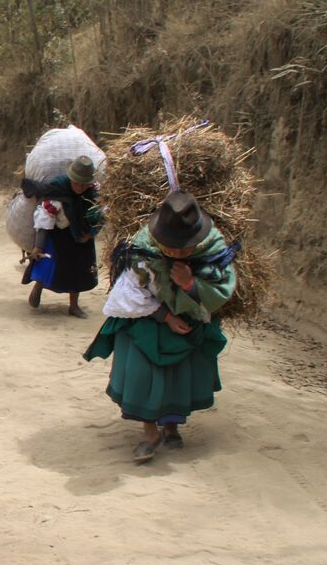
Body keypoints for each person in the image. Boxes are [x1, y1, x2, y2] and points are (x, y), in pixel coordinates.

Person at [83, 191, 237, 463]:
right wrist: (164, 316)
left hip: (191, 317)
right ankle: (149, 431)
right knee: (143, 372)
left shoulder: (213, 251)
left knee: (178, 377)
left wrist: (190, 285)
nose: (176, 252)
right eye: (170, 247)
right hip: (149, 319)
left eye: (184, 247)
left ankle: (171, 425)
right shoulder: (142, 249)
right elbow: (129, 292)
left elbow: (221, 291)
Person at [22, 155, 103, 318]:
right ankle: (38, 286)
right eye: (76, 182)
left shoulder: (94, 193)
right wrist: (38, 246)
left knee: (79, 269)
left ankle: (74, 306)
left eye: (84, 183)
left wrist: (90, 233)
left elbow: (100, 216)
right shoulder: (57, 190)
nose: (80, 187)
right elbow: (45, 219)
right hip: (58, 233)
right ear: (70, 178)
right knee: (48, 264)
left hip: (82, 235)